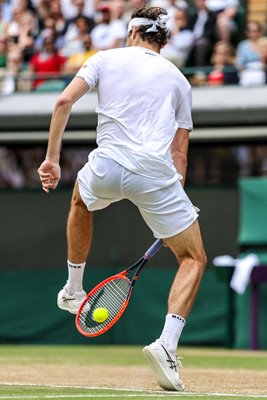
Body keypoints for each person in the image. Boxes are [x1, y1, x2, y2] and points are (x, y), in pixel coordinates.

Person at [38, 5, 206, 392]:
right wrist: (174, 199)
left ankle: (74, 288)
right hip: (155, 175)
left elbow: (62, 103)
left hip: (107, 166)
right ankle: (167, 345)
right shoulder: (181, 81)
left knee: (80, 201)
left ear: (132, 32)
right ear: (163, 39)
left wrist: (51, 159)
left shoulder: (104, 59)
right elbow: (179, 155)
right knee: (192, 257)